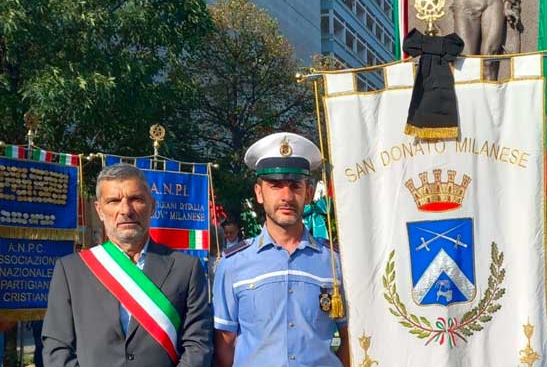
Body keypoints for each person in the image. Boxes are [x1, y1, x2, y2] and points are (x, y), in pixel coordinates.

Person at [42, 163, 212, 367]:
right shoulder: (71, 270)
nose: (126, 210)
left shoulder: (186, 268)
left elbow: (197, 345)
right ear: (99, 210)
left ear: (152, 205)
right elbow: (57, 347)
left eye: (136, 199)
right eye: (113, 201)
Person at [213, 132, 350, 367]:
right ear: (259, 193)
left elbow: (351, 339)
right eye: (275, 185)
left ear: (308, 193)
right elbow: (225, 344)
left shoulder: (336, 263)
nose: (286, 196)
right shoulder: (232, 265)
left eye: (295, 186)